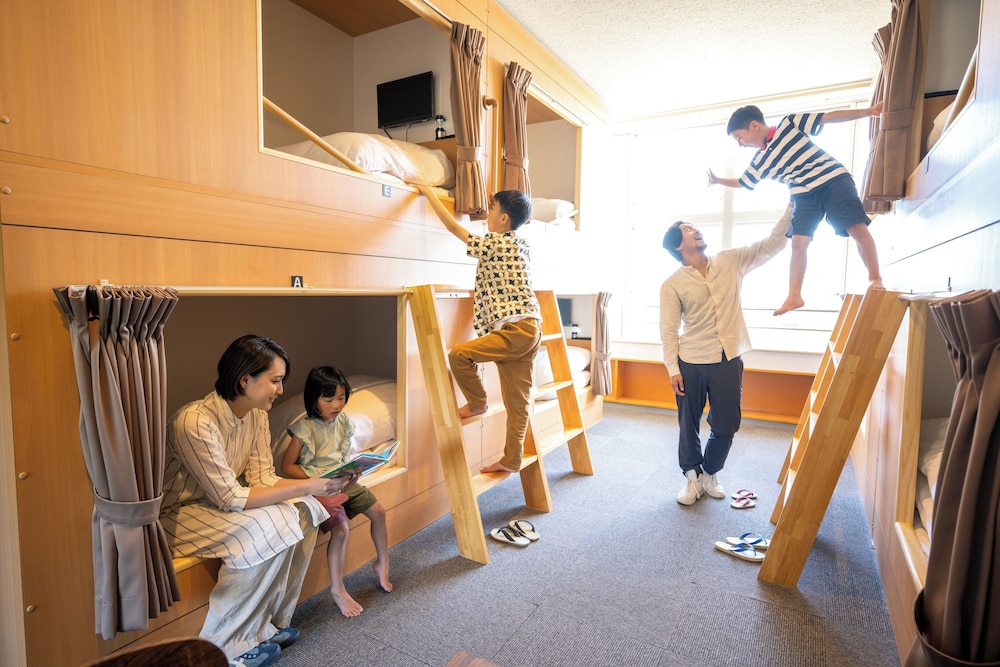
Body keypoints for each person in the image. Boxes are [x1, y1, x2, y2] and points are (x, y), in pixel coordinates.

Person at [160, 335, 350, 667]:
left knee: (306, 509)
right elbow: (230, 497)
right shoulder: (194, 422)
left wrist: (320, 488)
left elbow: (263, 478)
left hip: (216, 506)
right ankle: (223, 647)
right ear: (245, 379)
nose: (280, 390)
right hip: (178, 514)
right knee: (266, 525)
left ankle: (263, 626)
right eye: (275, 381)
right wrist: (310, 485)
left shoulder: (256, 414)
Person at [660, 205, 792, 506]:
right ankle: (692, 478)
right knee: (688, 424)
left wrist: (792, 206)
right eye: (687, 229)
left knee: (727, 424)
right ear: (678, 246)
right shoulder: (672, 285)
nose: (695, 229)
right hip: (690, 362)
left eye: (694, 226)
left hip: (728, 359)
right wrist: (672, 369)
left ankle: (709, 472)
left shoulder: (730, 260)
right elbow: (668, 330)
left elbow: (772, 244)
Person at [707, 103, 884, 316]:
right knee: (798, 242)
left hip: (832, 179)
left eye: (739, 137)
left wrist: (867, 112)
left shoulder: (789, 124)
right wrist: (718, 180)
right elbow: (743, 181)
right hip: (803, 193)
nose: (741, 144)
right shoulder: (760, 161)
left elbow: (828, 117)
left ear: (754, 125)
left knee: (855, 228)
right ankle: (794, 295)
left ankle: (874, 278)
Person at [415, 183, 541, 474]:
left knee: (459, 355)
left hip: (516, 331)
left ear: (504, 219)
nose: (486, 217)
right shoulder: (520, 244)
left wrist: (428, 192)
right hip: (531, 328)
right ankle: (511, 460)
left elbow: (453, 228)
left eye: (491, 210)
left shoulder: (494, 244)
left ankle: (477, 402)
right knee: (518, 404)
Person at [280, 366, 393, 618]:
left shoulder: (343, 422)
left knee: (379, 511)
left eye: (341, 398)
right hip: (320, 486)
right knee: (341, 530)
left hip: (343, 480)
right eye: (329, 399)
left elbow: (342, 456)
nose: (336, 405)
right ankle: (337, 590)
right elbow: (287, 467)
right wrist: (315, 480)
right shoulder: (304, 429)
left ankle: (382, 562)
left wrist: (354, 473)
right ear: (314, 399)